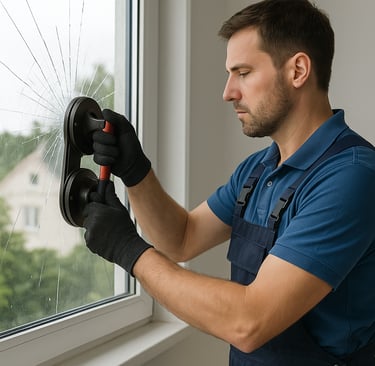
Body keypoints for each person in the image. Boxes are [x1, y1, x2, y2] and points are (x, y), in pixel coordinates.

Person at [83, 0, 375, 364]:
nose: (228, 92)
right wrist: (136, 172)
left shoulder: (352, 177)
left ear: (298, 70)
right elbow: (182, 239)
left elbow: (249, 321)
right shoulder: (258, 170)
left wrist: (127, 249)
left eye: (243, 72)